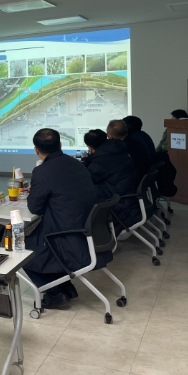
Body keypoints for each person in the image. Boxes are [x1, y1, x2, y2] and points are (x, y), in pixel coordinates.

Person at [24, 129, 100, 309]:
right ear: (60, 145)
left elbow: (35, 208)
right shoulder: (77, 164)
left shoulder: (42, 171)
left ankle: (54, 293)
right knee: (37, 243)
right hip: (85, 228)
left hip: (66, 234)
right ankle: (65, 286)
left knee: (21, 249)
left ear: (36, 150)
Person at [82, 129, 140, 234]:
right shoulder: (116, 150)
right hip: (128, 197)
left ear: (90, 147)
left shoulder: (102, 161)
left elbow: (87, 178)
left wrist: (85, 160)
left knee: (82, 192)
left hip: (119, 203)